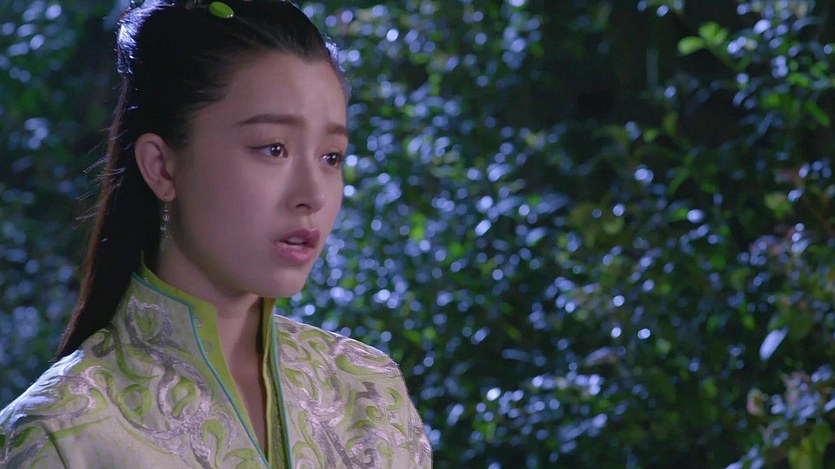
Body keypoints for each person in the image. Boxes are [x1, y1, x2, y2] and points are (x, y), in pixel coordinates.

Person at [0, 1, 432, 467]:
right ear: (162, 167)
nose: (313, 195)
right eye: (274, 148)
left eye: (331, 157)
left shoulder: (371, 392)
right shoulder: (59, 433)